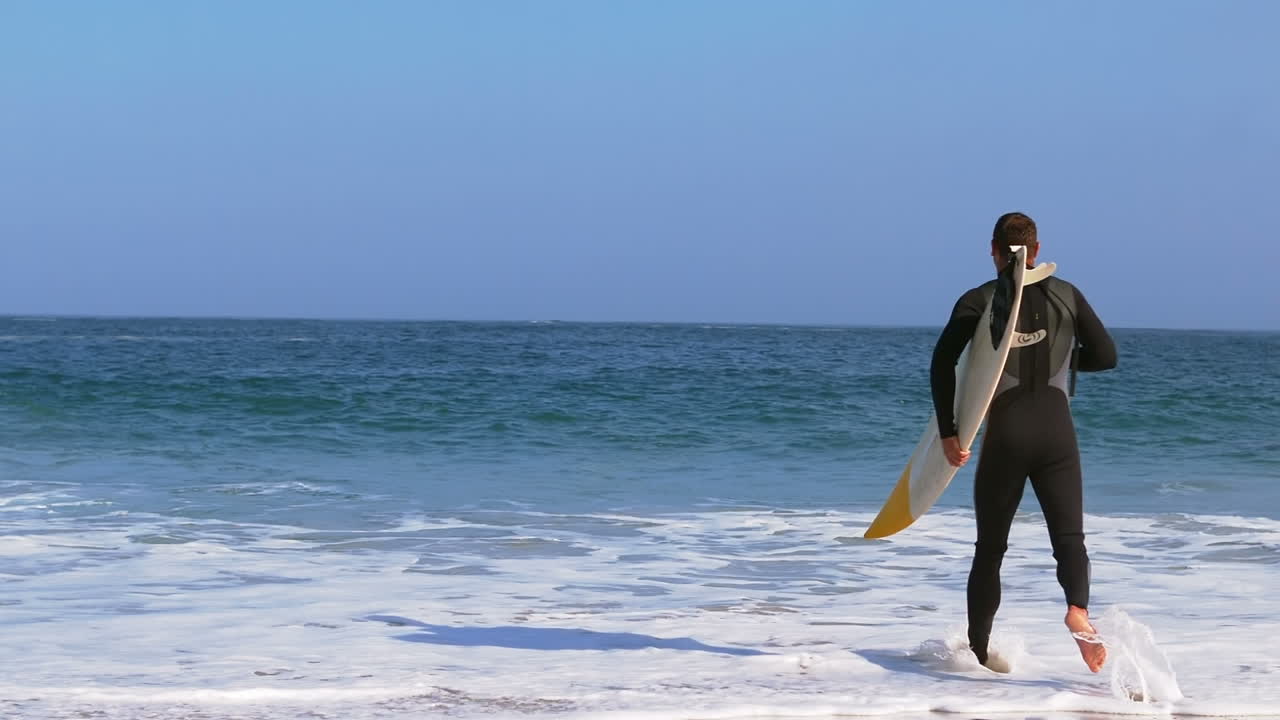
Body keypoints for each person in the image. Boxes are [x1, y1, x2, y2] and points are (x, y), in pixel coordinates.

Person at [930, 212, 1117, 673]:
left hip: (1005, 438)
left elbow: (942, 367)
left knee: (990, 549)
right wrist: (1063, 366)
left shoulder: (978, 300)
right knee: (1070, 540)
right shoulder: (1067, 294)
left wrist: (950, 433)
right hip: (1057, 434)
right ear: (1036, 251)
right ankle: (1078, 611)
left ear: (993, 250)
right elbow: (1107, 356)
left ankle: (977, 656)